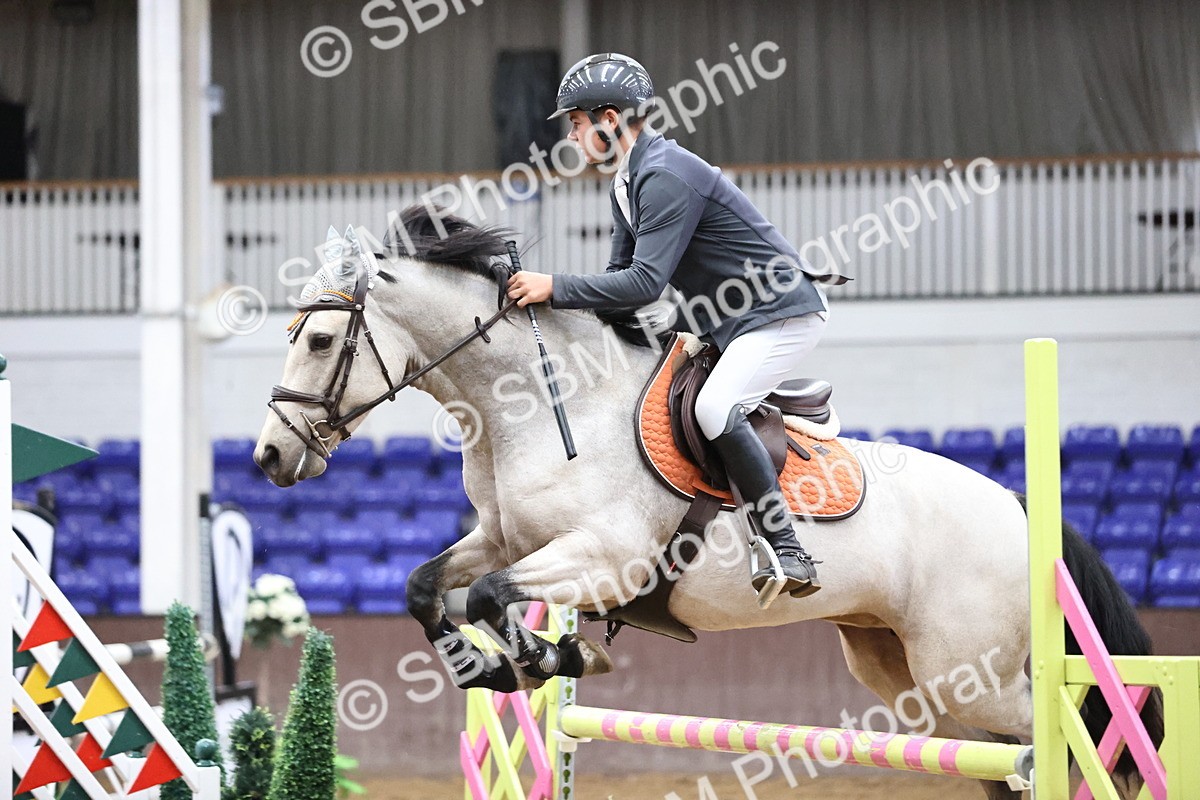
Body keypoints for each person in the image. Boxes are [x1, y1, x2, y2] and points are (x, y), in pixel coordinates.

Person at [507, 53, 843, 600]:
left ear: (609, 119)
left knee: (714, 407)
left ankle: (787, 548)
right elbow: (618, 285)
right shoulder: (627, 182)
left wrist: (554, 286)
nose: (570, 135)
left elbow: (644, 285)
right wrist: (547, 311)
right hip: (731, 320)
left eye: (576, 122)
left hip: (779, 311)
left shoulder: (664, 173)